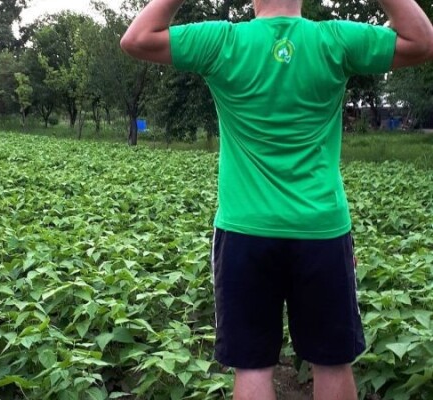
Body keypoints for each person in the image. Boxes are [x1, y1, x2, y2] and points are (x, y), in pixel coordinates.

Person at [120, 0, 433, 399]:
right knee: (333, 361)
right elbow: (422, 41)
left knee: (252, 366)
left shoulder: (222, 41)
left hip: (244, 231)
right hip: (320, 228)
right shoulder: (336, 40)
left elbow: (136, 39)